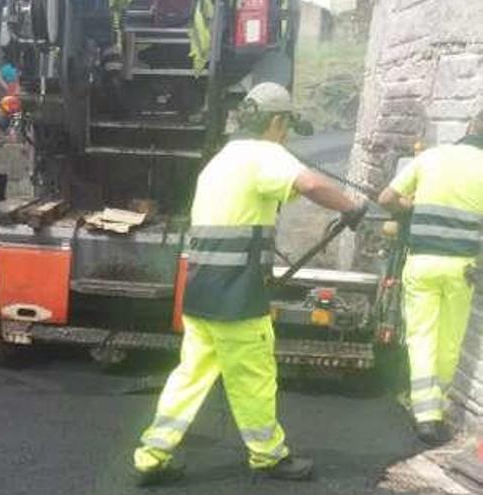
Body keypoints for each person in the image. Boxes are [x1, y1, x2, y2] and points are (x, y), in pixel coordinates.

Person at [131, 82, 366, 486]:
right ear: (275, 122)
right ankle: (268, 455)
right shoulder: (264, 154)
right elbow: (310, 184)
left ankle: (152, 455)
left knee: (189, 377)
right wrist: (351, 205)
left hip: (203, 293)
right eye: (286, 125)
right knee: (254, 377)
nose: (287, 134)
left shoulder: (221, 162)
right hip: (237, 298)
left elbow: (280, 194)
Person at [378, 110, 483, 446]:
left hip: (422, 263)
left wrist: (412, 207)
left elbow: (386, 198)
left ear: (468, 128)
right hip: (462, 268)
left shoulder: (432, 157)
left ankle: (424, 415)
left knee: (422, 336)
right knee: (449, 342)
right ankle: (435, 407)